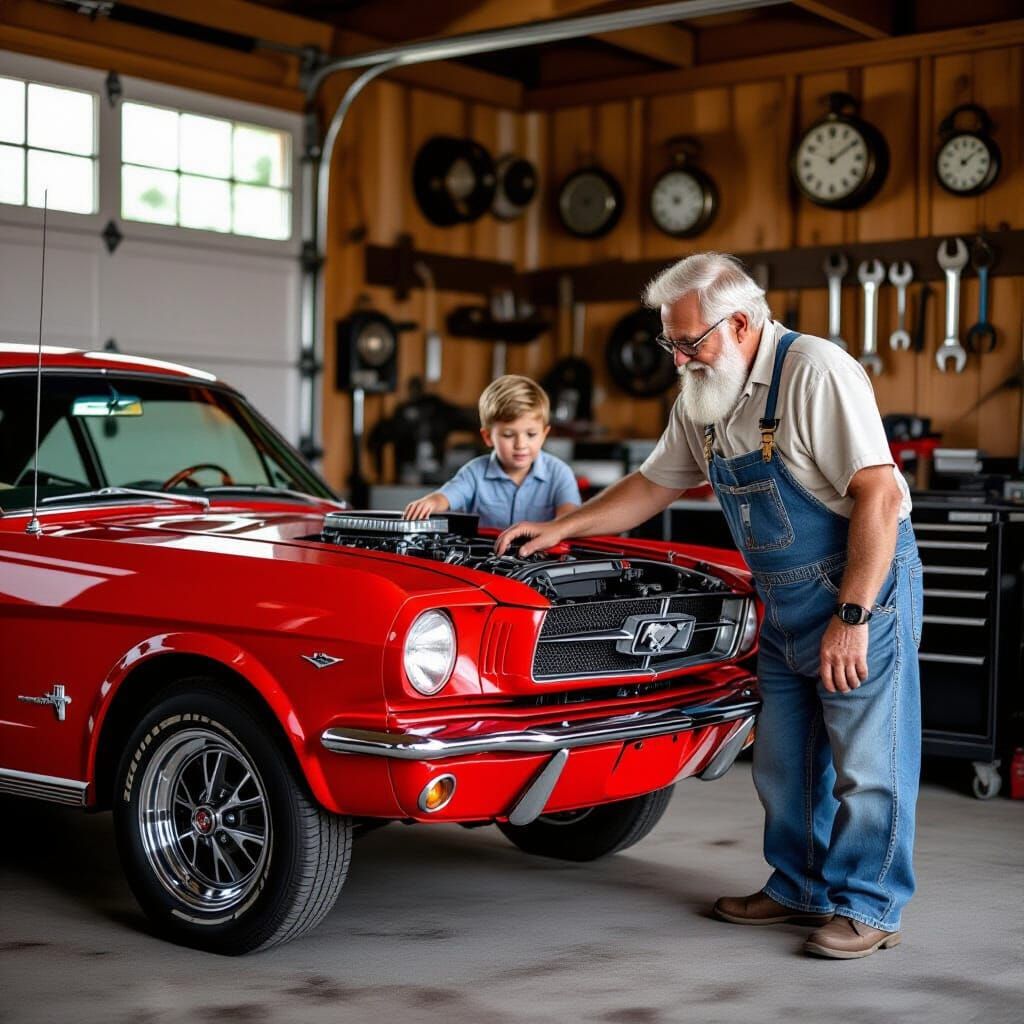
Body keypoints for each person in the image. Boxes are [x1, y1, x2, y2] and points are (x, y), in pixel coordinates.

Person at [496, 253, 923, 960]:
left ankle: (871, 905)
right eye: (671, 342)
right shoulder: (705, 392)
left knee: (867, 762)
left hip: (859, 588)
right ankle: (799, 887)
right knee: (786, 761)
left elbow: (877, 494)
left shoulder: (815, 371)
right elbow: (653, 484)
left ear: (743, 323)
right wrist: (564, 527)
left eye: (690, 342)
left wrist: (853, 618)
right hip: (785, 600)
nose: (678, 358)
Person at [404, 374, 580, 530]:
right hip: (483, 564)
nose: (521, 444)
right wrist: (431, 502)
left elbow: (569, 521)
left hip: (540, 564)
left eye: (531, 434)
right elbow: (446, 496)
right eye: (509, 435)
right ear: (488, 437)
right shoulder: (474, 473)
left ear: (544, 435)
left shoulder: (560, 474)